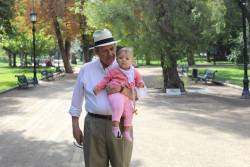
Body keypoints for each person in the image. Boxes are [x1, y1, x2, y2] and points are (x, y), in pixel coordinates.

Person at [69, 29, 142, 167]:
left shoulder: (127, 67)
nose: (110, 54)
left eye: (112, 49)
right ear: (96, 52)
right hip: (93, 125)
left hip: (120, 124)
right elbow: (76, 100)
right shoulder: (86, 69)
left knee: (121, 164)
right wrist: (75, 126)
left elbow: (139, 95)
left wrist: (122, 89)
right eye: (105, 51)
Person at [93, 47, 144, 142]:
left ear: (132, 60)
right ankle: (115, 127)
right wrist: (98, 88)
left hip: (126, 96)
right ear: (117, 60)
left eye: (127, 58)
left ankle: (126, 131)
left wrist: (140, 83)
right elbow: (105, 80)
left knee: (129, 112)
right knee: (118, 106)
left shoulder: (134, 72)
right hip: (115, 93)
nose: (123, 60)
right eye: (121, 58)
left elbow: (138, 80)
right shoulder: (114, 71)